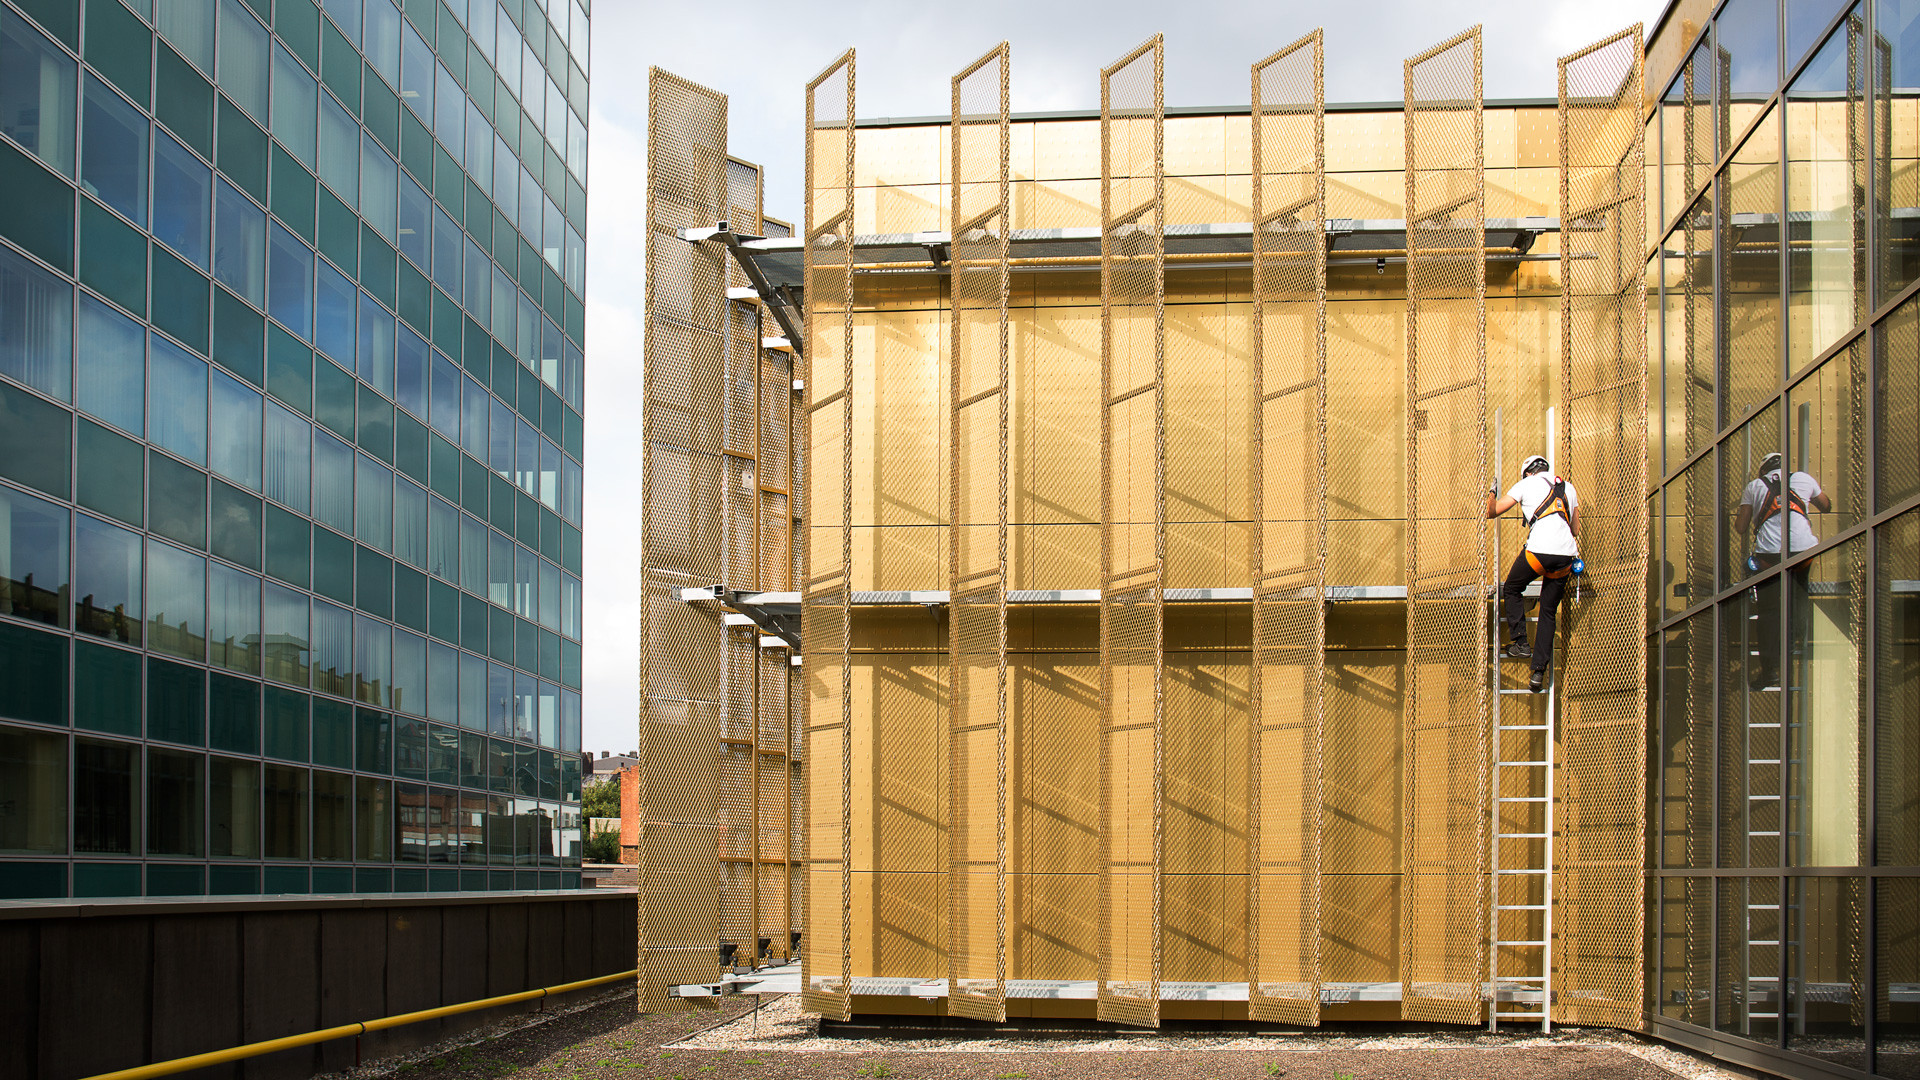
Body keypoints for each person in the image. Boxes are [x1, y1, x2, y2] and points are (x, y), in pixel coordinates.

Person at [1731, 452, 1830, 689]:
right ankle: (1797, 643)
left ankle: (1770, 671)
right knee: (1798, 596)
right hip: (1802, 552)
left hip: (1769, 556)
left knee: (1768, 612)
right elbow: (1826, 506)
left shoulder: (1754, 486)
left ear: (1762, 470)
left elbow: (1741, 527)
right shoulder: (1804, 479)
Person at [1486, 454, 1580, 693]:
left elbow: (1492, 511)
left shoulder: (1526, 483)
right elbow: (1575, 529)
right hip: (1566, 555)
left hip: (1539, 550)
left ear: (1528, 472)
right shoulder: (1568, 487)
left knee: (1512, 587)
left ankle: (1521, 642)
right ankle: (1538, 672)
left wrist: (1492, 491)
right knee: (1548, 611)